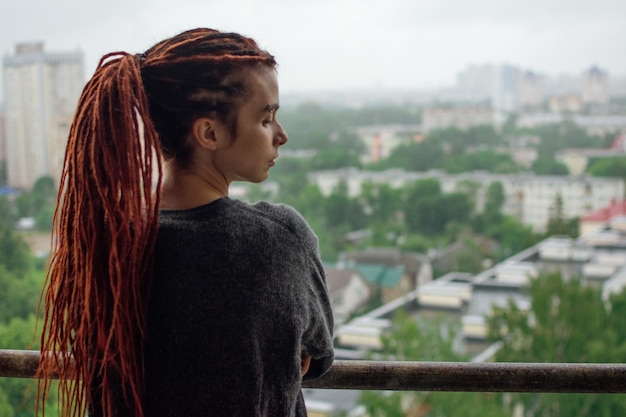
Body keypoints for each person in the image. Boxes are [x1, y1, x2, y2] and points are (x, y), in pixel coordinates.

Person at [37, 28, 334, 417]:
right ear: (209, 133)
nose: (282, 136)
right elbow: (318, 351)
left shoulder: (108, 245)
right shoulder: (279, 240)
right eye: (266, 119)